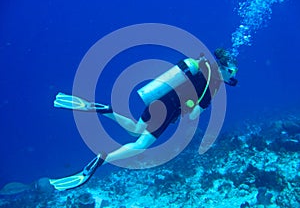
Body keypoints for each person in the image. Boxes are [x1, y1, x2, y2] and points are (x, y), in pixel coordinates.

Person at [48, 48, 238, 191]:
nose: (233, 76)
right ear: (225, 67)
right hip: (169, 110)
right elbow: (195, 114)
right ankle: (103, 159)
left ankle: (104, 109)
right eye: (233, 71)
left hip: (159, 100)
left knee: (136, 129)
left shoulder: (200, 64)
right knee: (141, 144)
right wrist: (201, 108)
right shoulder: (212, 85)